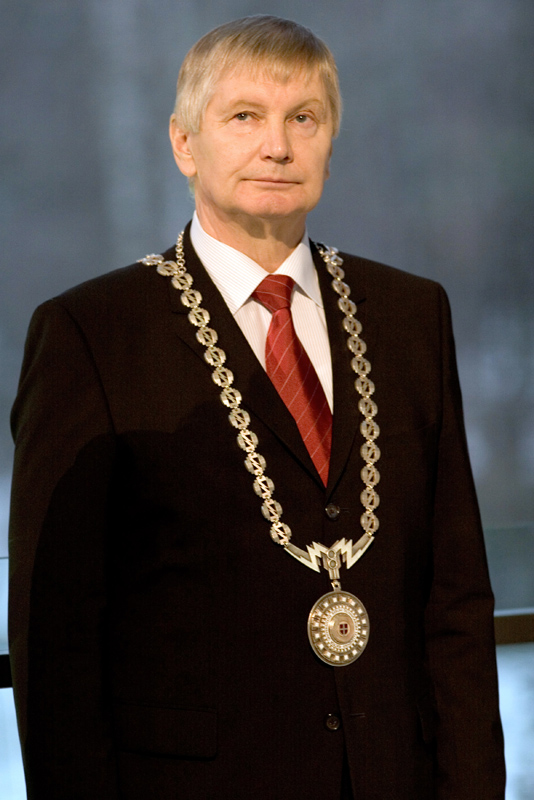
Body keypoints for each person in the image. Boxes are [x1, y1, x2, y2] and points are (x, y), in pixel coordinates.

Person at [8, 15, 505, 800]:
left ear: (330, 144)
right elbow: (57, 647)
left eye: (303, 118)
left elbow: (457, 606)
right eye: (244, 116)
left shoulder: (412, 316)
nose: (278, 145)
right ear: (183, 144)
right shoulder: (91, 333)